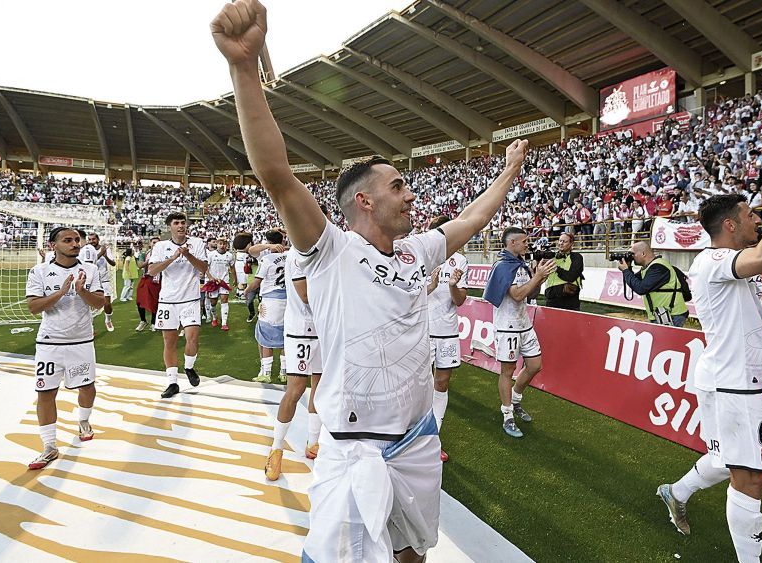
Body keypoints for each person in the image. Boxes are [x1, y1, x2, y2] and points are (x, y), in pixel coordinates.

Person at [212, 2, 528, 558]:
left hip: (418, 439)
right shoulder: (331, 249)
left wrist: (507, 173)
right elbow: (277, 175)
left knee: (412, 553)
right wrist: (243, 70)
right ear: (364, 200)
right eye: (399, 186)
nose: (411, 195)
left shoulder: (419, 250)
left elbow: (474, 218)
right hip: (355, 446)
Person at [656, 180, 762, 563]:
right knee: (750, 476)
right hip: (733, 383)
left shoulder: (722, 262)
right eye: (750, 215)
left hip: (725, 379)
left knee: (726, 461)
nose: (757, 220)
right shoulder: (714, 260)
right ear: (730, 226)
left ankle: (676, 492)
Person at [24, 227, 106, 470]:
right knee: (46, 393)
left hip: (81, 341)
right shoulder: (39, 271)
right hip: (50, 343)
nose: (74, 243)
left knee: (87, 387)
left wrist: (81, 291)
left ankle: (83, 420)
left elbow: (100, 302)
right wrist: (61, 292)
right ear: (53, 246)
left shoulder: (90, 270)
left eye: (76, 240)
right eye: (67, 240)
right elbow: (34, 307)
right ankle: (49, 446)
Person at [266, 210, 329, 481]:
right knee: (295, 388)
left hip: (323, 330)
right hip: (300, 331)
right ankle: (276, 448)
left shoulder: (326, 251)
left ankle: (312, 442)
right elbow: (305, 296)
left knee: (321, 385)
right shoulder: (297, 255)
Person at [482, 227, 556, 438]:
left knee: (535, 365)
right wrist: (537, 276)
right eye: (524, 241)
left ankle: (515, 400)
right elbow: (516, 294)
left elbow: (531, 293)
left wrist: (539, 277)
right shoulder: (503, 266)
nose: (527, 244)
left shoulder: (520, 265)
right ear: (512, 243)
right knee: (508, 371)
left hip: (524, 323)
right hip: (508, 327)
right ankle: (507, 415)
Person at [147, 212, 209, 398]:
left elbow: (204, 268)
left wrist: (188, 255)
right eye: (176, 223)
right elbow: (151, 270)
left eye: (183, 222)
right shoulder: (160, 246)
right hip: (167, 300)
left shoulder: (196, 243)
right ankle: (172, 382)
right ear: (170, 227)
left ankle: (189, 367)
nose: (181, 226)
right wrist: (173, 258)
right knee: (169, 341)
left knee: (192, 338)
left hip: (190, 298)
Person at [425, 215, 468, 462]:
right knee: (420, 384)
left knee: (441, 383)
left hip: (448, 332)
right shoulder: (420, 257)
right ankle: (411, 437)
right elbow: (412, 295)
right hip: (423, 330)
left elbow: (460, 300)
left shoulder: (460, 261)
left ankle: (433, 438)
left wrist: (452, 284)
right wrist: (431, 284)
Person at [246, 230, 287, 383]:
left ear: (268, 242)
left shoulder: (267, 259)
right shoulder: (291, 255)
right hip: (289, 299)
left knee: (265, 336)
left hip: (271, 300)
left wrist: (246, 290)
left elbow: (256, 282)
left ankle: (266, 373)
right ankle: (284, 372)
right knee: (285, 335)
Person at [615, 240, 689, 327]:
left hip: (672, 314)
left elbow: (641, 288)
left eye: (632, 254)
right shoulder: (648, 267)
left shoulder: (658, 267)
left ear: (643, 254)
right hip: (662, 314)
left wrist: (626, 271)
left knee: (665, 340)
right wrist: (628, 268)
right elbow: (634, 282)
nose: (631, 257)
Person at [82, 232, 116, 332]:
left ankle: (108, 320)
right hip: (91, 280)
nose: (92, 241)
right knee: (88, 305)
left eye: (93, 239)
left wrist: (105, 256)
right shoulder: (87, 250)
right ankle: (90, 327)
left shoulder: (105, 249)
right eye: (90, 239)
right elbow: (89, 264)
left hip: (104, 280)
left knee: (107, 304)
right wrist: (100, 254)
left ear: (98, 239)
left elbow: (113, 263)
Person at [543, 232, 584, 311]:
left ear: (571, 244)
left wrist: (556, 268)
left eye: (564, 242)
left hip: (569, 299)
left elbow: (571, 276)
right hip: (551, 298)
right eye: (560, 241)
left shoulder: (577, 257)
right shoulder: (551, 256)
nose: (561, 243)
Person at [205, 237, 236, 330]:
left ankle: (224, 323)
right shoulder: (211, 255)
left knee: (224, 300)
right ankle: (214, 317)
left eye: (224, 244)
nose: (222, 246)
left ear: (227, 245)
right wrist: (210, 277)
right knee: (213, 303)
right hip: (213, 281)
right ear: (217, 244)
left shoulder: (230, 255)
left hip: (224, 281)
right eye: (220, 244)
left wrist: (235, 278)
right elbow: (205, 267)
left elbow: (232, 268)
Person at [135, 236, 161, 332]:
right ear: (150, 244)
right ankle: (143, 320)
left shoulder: (163, 254)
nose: (155, 244)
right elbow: (140, 265)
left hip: (158, 279)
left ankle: (154, 322)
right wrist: (150, 260)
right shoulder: (145, 253)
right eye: (154, 242)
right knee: (139, 300)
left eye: (157, 243)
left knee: (155, 301)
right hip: (146, 278)